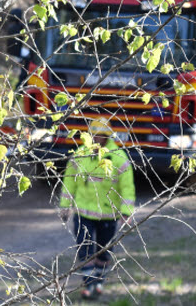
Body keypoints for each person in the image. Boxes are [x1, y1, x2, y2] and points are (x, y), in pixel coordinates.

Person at [59, 118, 135, 300]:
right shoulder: (80, 155)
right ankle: (88, 284)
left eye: (100, 136)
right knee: (84, 250)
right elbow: (69, 181)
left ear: (106, 137)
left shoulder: (119, 157)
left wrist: (126, 211)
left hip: (108, 215)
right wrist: (65, 206)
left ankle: (99, 281)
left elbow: (127, 187)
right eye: (93, 136)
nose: (96, 139)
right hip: (83, 212)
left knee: (104, 252)